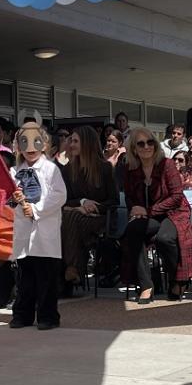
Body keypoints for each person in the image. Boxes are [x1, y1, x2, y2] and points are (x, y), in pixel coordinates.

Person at [122, 127, 192, 303]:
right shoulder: (130, 169)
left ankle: (176, 279)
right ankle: (146, 285)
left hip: (174, 212)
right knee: (132, 230)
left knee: (165, 238)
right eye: (141, 144)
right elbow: (129, 196)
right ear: (134, 148)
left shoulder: (167, 164)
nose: (146, 146)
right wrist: (136, 210)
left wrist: (147, 211)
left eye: (150, 142)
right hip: (149, 216)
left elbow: (177, 197)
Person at [8, 122, 66, 330]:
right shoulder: (14, 172)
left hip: (45, 233)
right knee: (25, 278)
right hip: (24, 233)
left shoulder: (51, 169)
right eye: (25, 142)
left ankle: (48, 316)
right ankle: (22, 315)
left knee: (46, 278)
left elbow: (59, 195)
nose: (30, 149)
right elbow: (8, 202)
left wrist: (37, 209)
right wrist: (14, 200)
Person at [58, 126, 118, 295]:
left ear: (87, 143)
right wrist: (82, 203)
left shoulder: (105, 168)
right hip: (77, 216)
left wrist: (95, 207)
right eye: (71, 141)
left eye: (75, 141)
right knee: (70, 217)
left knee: (68, 218)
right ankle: (72, 269)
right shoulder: (68, 170)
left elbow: (114, 200)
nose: (71, 145)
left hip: (101, 218)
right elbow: (64, 199)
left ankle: (71, 271)